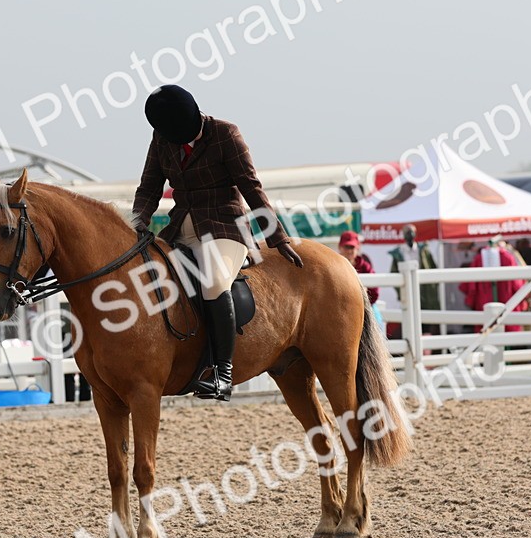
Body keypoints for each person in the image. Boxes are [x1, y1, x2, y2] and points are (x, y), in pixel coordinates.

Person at [132, 84, 303, 401]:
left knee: (212, 282)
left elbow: (252, 188)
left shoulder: (225, 134)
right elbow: (148, 188)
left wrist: (277, 238)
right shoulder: (161, 138)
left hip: (226, 229)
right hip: (179, 231)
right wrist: (137, 220)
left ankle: (222, 372)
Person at [458, 236, 528, 332]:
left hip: (484, 304)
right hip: (507, 304)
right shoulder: (509, 258)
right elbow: (518, 285)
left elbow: (471, 287)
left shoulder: (478, 259)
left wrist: (471, 301)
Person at [336, 231, 381, 322]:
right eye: (346, 247)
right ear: (340, 247)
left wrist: (364, 299)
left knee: (377, 321)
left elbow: (375, 290)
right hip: (340, 307)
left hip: (365, 306)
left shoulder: (365, 266)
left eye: (352, 247)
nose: (349, 251)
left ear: (357, 248)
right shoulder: (334, 265)